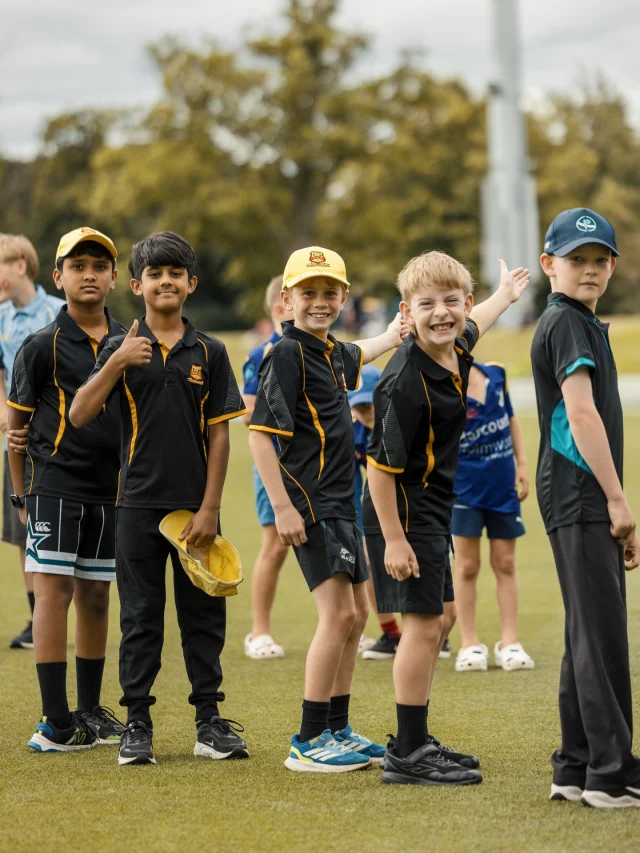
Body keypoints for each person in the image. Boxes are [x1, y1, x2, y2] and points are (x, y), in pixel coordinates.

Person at [70, 231, 249, 767]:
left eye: (176, 273)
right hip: (136, 507)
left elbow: (220, 435)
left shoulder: (211, 351)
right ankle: (138, 725)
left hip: (196, 510)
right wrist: (118, 360)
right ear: (136, 284)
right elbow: (79, 415)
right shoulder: (117, 347)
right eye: (155, 273)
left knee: (203, 616)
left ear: (191, 284)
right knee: (142, 618)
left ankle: (209, 723)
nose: (165, 281)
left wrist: (210, 508)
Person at [364, 251, 530, 787]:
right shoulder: (402, 382)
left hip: (433, 508)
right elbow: (380, 471)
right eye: (427, 304)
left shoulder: (457, 344)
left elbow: (482, 316)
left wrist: (506, 291)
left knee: (446, 618)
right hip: (402, 513)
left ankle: (417, 736)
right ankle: (408, 753)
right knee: (423, 626)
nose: (443, 313)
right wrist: (393, 540)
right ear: (405, 313)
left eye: (451, 302)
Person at [248, 246, 407, 773]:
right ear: (286, 300)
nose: (319, 302)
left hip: (341, 502)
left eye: (329, 293)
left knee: (358, 616)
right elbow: (260, 438)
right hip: (310, 504)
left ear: (343, 297)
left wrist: (397, 332)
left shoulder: (328, 350)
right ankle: (308, 739)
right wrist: (283, 507)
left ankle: (338, 727)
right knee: (337, 615)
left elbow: (363, 350)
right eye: (308, 293)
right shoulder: (287, 353)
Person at [532, 208, 640, 808]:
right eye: (577, 260)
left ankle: (575, 767)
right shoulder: (567, 322)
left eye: (600, 260)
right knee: (600, 634)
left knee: (586, 634)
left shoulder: (579, 321)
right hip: (580, 492)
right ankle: (612, 773)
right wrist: (618, 499)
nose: (590, 270)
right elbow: (580, 414)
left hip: (580, 493)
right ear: (550, 265)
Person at [7, 227, 126, 751]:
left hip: (111, 490)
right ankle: (55, 721)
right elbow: (16, 432)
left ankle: (90, 711)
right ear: (58, 277)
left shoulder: (130, 341)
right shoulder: (38, 346)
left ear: (115, 278)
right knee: (53, 595)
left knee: (97, 597)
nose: (89, 274)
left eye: (99, 266)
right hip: (53, 484)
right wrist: (21, 497)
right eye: (77, 266)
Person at [0, 233, 64, 649]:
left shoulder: (59, 311)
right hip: (16, 445)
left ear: (19, 266)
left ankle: (62, 607)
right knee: (25, 531)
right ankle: (36, 615)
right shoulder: (1, 317)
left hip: (58, 441)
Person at [452, 361, 534, 672]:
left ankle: (509, 643)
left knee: (506, 562)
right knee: (467, 566)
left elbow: (511, 419)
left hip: (503, 486)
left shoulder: (498, 373)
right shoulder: (440, 383)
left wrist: (522, 464)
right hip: (463, 490)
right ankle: (469, 644)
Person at [242, 275, 289, 659]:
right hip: (273, 463)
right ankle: (259, 631)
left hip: (316, 467)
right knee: (274, 546)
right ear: (280, 308)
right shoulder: (262, 355)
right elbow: (246, 411)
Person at [348, 364, 403, 660]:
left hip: (411, 500)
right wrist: (361, 531)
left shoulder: (401, 422)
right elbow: (353, 484)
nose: (368, 410)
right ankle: (391, 634)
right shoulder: (353, 433)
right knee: (369, 560)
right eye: (360, 405)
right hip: (375, 501)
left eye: (371, 402)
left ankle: (432, 632)